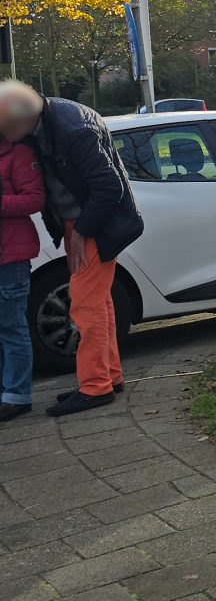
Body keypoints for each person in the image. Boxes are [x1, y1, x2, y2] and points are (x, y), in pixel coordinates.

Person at [0, 82, 143, 416]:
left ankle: (95, 388)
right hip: (84, 222)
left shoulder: (72, 128)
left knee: (85, 305)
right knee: (100, 302)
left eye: (4, 130)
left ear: (20, 121)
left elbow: (108, 187)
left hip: (95, 224)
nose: (4, 137)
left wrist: (80, 231)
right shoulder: (46, 117)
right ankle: (108, 377)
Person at [0, 121, 45, 422]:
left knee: (11, 327)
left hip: (10, 256)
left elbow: (35, 199)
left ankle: (17, 396)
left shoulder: (18, 154)